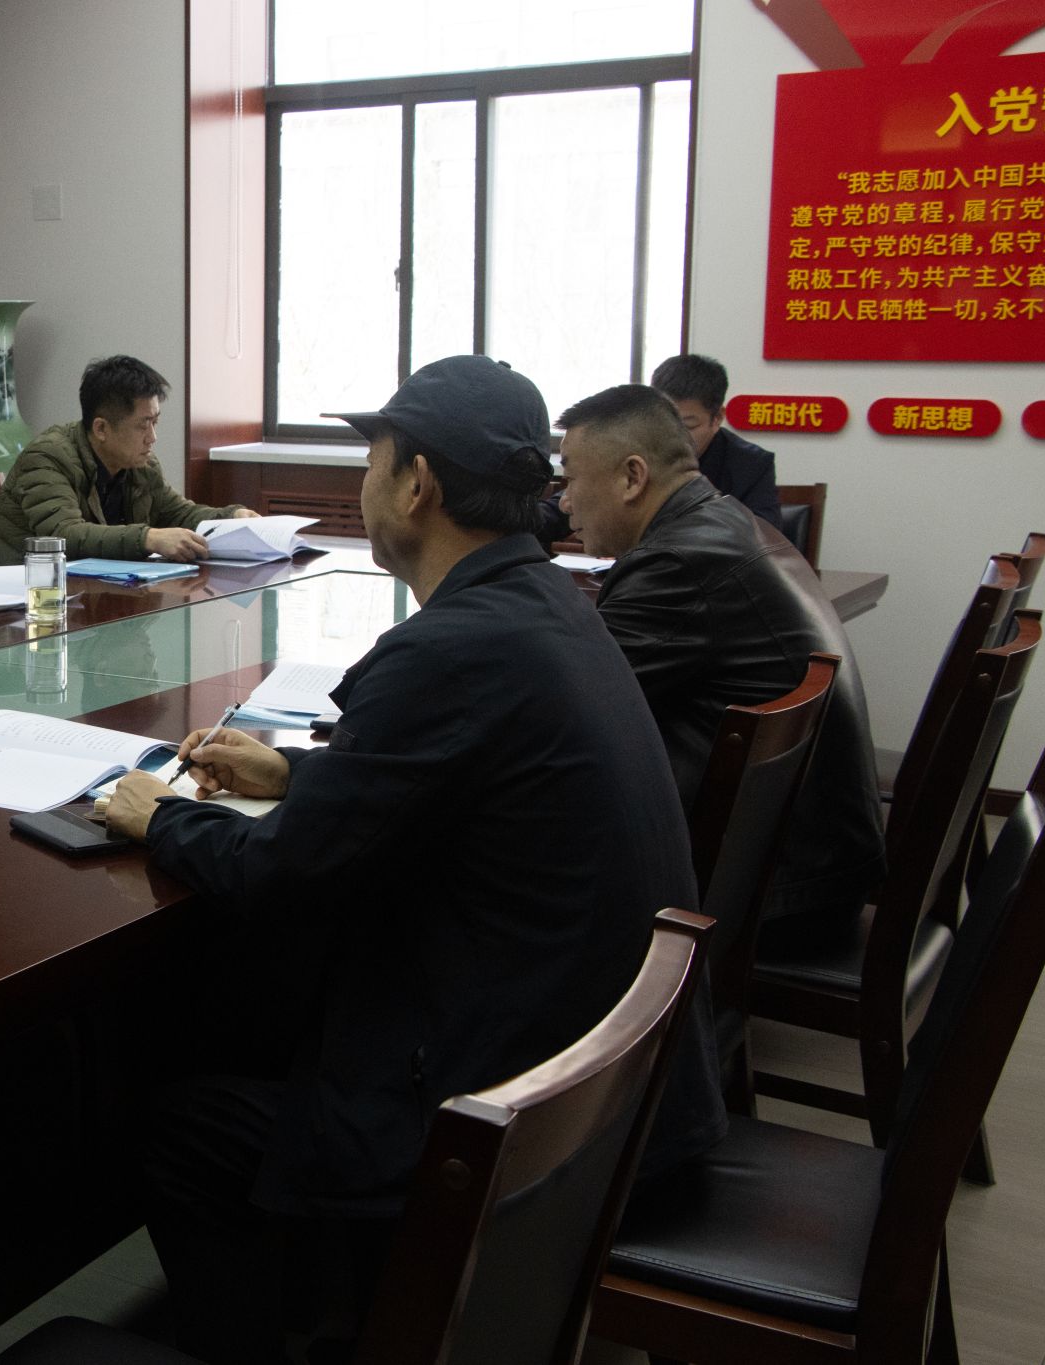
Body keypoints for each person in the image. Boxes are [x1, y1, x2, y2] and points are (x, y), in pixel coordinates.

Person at [101, 355, 725, 1365]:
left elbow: (279, 877)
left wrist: (158, 815)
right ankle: (331, 1298)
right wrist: (298, 772)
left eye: (371, 460)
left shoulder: (446, 650)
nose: (364, 480)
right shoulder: (545, 601)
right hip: (598, 1090)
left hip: (498, 1121)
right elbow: (450, 785)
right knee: (263, 1022)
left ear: (416, 483)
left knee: (181, 1123)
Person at [556, 383, 884, 932]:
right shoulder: (723, 524)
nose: (564, 502)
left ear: (633, 476)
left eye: (569, 479)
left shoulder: (677, 564)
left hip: (775, 895)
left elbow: (567, 710)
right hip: (809, 868)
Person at [0, 355, 256, 565]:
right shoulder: (47, 457)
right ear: (101, 428)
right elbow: (65, 536)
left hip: (90, 595)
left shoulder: (141, 466)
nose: (152, 437)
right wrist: (148, 538)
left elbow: (177, 513)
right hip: (20, 599)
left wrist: (231, 517)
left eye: (155, 422)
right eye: (143, 425)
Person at [650, 353, 783, 531]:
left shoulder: (752, 465)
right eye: (663, 422)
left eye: (688, 426)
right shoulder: (636, 452)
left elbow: (764, 534)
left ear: (717, 418)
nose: (673, 436)